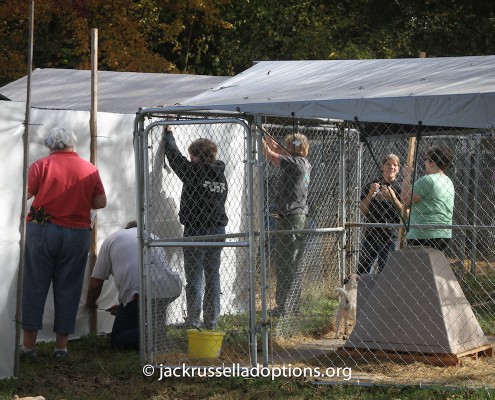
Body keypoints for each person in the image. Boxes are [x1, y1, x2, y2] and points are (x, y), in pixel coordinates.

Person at [21, 127, 107, 360]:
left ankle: (29, 347)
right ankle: (61, 348)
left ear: (50, 146)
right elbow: (100, 202)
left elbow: (24, 195)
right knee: (68, 288)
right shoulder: (89, 169)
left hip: (42, 229)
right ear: (73, 144)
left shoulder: (41, 165)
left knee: (34, 286)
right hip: (77, 233)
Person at [163, 125, 228, 330]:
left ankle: (193, 321)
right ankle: (211, 322)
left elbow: (174, 156)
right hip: (217, 230)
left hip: (196, 230)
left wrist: (169, 133)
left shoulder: (193, 172)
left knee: (194, 278)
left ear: (195, 156)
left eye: (191, 156)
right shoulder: (220, 175)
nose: (189, 159)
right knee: (212, 276)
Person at [86, 221, 182, 349]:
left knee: (118, 339)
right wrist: (123, 307)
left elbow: (96, 283)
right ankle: (157, 333)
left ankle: (152, 336)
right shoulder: (152, 236)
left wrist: (90, 302)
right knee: (152, 308)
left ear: (126, 229)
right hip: (169, 288)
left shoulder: (112, 239)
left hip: (141, 294)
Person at [262, 132, 311, 316]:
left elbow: (270, 153)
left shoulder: (295, 163)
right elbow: (276, 149)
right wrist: (264, 131)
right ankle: (288, 306)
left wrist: (257, 135)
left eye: (288, 146)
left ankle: (285, 307)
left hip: (291, 218)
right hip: (290, 217)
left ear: (295, 148)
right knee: (287, 262)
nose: (284, 148)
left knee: (286, 263)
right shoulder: (300, 162)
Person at [357, 154, 403, 275]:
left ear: (398, 169)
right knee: (363, 272)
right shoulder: (372, 185)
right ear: (382, 166)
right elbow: (362, 210)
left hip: (389, 236)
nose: (391, 167)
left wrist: (392, 197)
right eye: (388, 163)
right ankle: (364, 294)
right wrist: (370, 194)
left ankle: (383, 294)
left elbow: (405, 213)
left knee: (387, 274)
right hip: (371, 234)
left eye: (395, 165)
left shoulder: (400, 188)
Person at [402, 146, 455, 251]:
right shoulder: (448, 181)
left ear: (431, 162)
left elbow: (406, 199)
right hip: (444, 235)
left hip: (422, 234)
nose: (425, 162)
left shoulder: (427, 180)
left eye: (426, 159)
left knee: (416, 266)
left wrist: (407, 176)